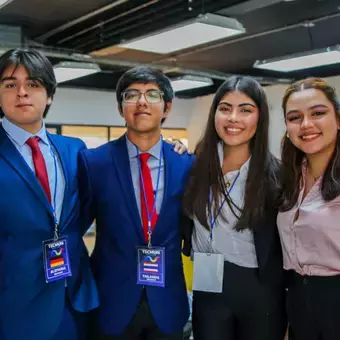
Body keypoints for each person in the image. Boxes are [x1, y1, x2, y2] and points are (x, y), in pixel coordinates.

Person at [78, 66, 194, 339]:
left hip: (167, 303)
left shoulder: (187, 163)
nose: (142, 101)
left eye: (152, 95)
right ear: (121, 108)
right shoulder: (94, 163)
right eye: (132, 95)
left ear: (166, 108)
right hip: (111, 303)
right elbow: (76, 228)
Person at [0, 48, 99, 340]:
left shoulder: (74, 148)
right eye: (9, 84)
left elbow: (88, 208)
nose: (22, 93)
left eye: (33, 84)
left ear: (50, 95)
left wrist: (163, 147)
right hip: (13, 305)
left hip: (74, 296)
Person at [183, 76, 287, 340]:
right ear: (214, 113)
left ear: (259, 117)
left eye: (245, 110)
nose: (233, 118)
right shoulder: (195, 165)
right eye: (225, 108)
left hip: (258, 287)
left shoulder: (276, 176)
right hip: (208, 282)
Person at [278, 78, 340, 340]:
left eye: (318, 113)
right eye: (295, 117)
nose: (306, 124)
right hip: (299, 298)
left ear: (338, 119)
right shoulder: (289, 178)